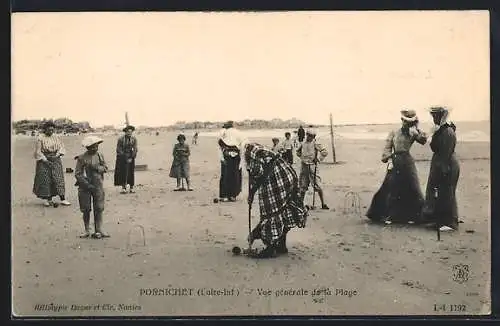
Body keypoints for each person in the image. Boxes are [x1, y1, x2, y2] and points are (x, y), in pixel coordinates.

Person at [245, 143, 308, 258]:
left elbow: (259, 175)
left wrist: (252, 192)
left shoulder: (255, 159)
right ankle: (281, 245)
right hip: (289, 178)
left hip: (278, 183)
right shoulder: (267, 154)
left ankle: (271, 247)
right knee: (284, 210)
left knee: (272, 213)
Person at [366, 110, 428, 224]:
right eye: (404, 121)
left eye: (408, 121)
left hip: (407, 161)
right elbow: (387, 147)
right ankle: (389, 216)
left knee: (413, 187)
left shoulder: (412, 132)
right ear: (401, 120)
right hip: (395, 160)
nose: (405, 123)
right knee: (391, 187)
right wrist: (389, 160)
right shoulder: (394, 132)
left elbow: (423, 140)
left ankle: (414, 216)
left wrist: (417, 128)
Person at [422, 107, 460, 231]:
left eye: (435, 116)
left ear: (441, 116)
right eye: (433, 116)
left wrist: (443, 168)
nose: (434, 119)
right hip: (441, 162)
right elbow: (433, 146)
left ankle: (450, 223)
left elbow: (446, 152)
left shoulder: (448, 131)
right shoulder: (441, 130)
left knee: (447, 192)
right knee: (441, 191)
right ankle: (440, 220)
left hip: (447, 163)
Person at [75, 136, 110, 239]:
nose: (94, 149)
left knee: (99, 208)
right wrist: (87, 184)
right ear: (87, 148)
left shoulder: (100, 155)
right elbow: (78, 174)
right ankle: (86, 230)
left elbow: (105, 167)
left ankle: (99, 229)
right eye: (92, 147)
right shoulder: (81, 158)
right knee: (86, 208)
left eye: (96, 146)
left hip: (98, 184)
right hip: (84, 186)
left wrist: (97, 168)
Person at [32, 121, 71, 207]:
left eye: (52, 130)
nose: (50, 132)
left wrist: (57, 155)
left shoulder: (56, 137)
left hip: (55, 159)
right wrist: (45, 160)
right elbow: (38, 151)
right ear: (45, 129)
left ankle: (63, 198)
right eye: (49, 130)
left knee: (58, 178)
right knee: (46, 179)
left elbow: (61, 147)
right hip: (44, 160)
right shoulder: (40, 138)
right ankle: (47, 199)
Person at [296, 128, 329, 209]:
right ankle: (300, 204)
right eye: (308, 135)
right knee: (303, 186)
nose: (309, 137)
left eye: (311, 136)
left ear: (314, 136)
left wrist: (318, 159)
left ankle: (323, 204)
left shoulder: (315, 143)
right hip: (304, 167)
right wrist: (302, 158)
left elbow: (324, 152)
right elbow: (298, 152)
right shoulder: (303, 143)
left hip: (312, 167)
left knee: (318, 185)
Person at [218, 121, 246, 202]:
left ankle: (225, 196)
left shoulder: (223, 133)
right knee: (235, 176)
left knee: (225, 176)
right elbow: (242, 146)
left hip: (226, 156)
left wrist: (221, 158)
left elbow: (220, 147)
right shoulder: (238, 133)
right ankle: (233, 195)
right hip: (236, 156)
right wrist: (241, 159)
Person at [114, 125, 138, 194]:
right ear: (125, 132)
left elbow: (135, 149)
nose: (129, 133)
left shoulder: (134, 139)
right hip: (122, 158)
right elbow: (118, 149)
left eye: (131, 132)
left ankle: (131, 187)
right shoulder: (121, 139)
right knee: (123, 172)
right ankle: (123, 187)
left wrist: (132, 157)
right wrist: (125, 157)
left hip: (131, 157)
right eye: (128, 132)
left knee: (131, 172)